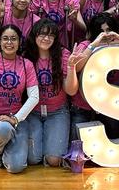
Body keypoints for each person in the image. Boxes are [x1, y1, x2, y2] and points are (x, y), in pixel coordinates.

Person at [0, 25, 39, 173]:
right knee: (3, 128)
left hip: (16, 118)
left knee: (16, 167)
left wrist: (16, 119)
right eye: (5, 38)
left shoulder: (26, 64)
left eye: (13, 39)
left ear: (19, 42)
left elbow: (34, 97)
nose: (9, 42)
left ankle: (6, 146)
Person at [23, 19, 78, 166]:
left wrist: (72, 67)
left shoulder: (63, 54)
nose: (46, 38)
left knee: (54, 160)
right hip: (32, 112)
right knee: (33, 159)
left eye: (51, 35)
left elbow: (71, 90)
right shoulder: (26, 55)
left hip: (57, 111)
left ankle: (50, 146)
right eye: (42, 34)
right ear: (34, 36)